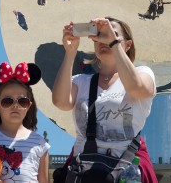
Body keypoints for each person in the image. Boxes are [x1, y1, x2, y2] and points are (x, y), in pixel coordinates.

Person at [52, 17, 157, 183]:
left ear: (127, 45)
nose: (104, 39)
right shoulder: (81, 81)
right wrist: (70, 53)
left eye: (112, 34)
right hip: (83, 172)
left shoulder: (144, 73)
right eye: (100, 35)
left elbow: (136, 88)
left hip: (124, 173)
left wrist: (113, 44)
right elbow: (60, 101)